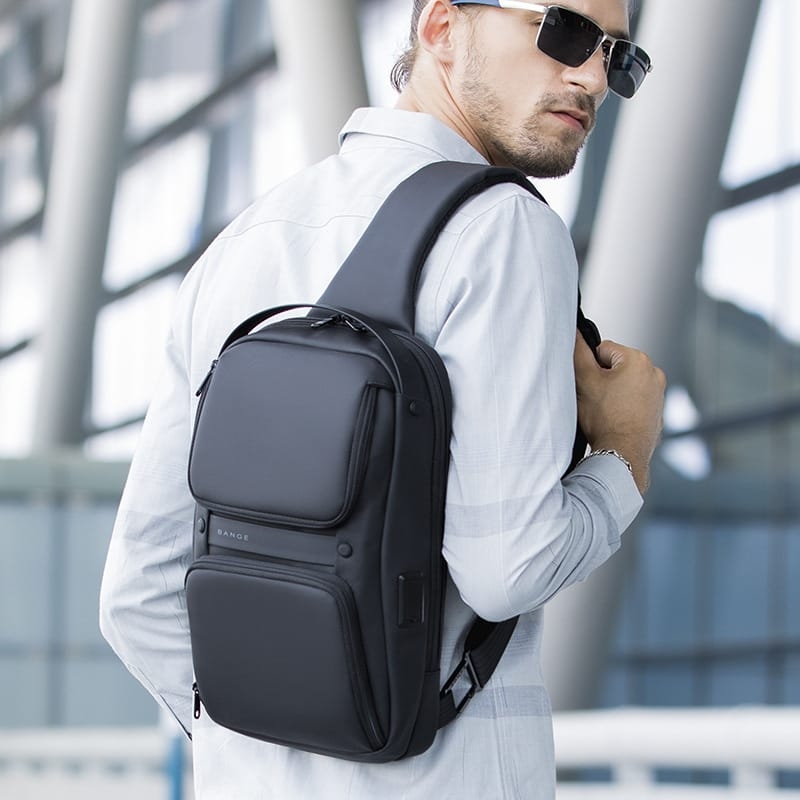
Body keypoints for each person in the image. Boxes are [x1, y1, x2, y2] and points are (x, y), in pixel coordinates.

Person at [100, 0, 665, 797]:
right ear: (441, 27)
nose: (593, 77)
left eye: (620, 57)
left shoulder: (246, 240)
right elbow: (509, 566)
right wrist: (624, 457)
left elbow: (136, 598)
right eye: (564, 32)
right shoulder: (503, 226)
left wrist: (277, 754)